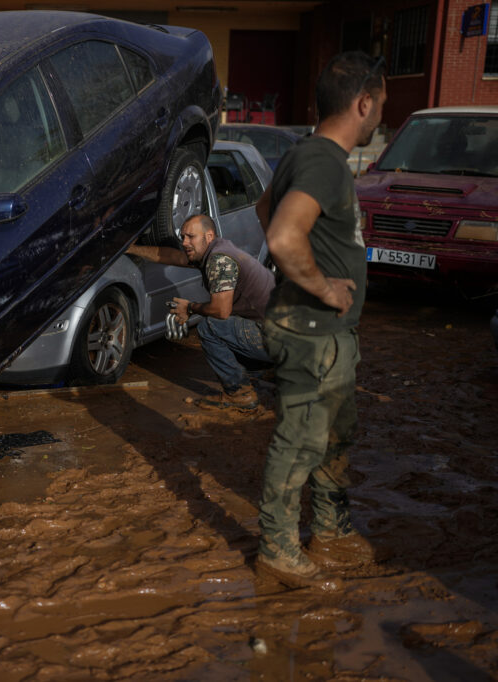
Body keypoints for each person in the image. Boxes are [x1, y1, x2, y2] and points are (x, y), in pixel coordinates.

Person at [253, 51, 386, 590]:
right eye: (381, 106)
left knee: (333, 437)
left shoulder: (305, 153)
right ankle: (278, 550)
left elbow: (264, 207)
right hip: (311, 333)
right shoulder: (324, 162)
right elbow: (281, 234)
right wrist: (323, 283)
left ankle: (330, 529)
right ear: (363, 103)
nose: (380, 116)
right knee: (301, 442)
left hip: (327, 334)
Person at [127, 214, 275, 410]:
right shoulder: (216, 249)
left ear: (209, 236)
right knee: (230, 324)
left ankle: (240, 394)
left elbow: (221, 311)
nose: (185, 242)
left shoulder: (219, 259)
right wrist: (130, 249)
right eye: (182, 237)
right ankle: (262, 371)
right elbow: (172, 256)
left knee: (210, 326)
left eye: (190, 237)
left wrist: (190, 307)